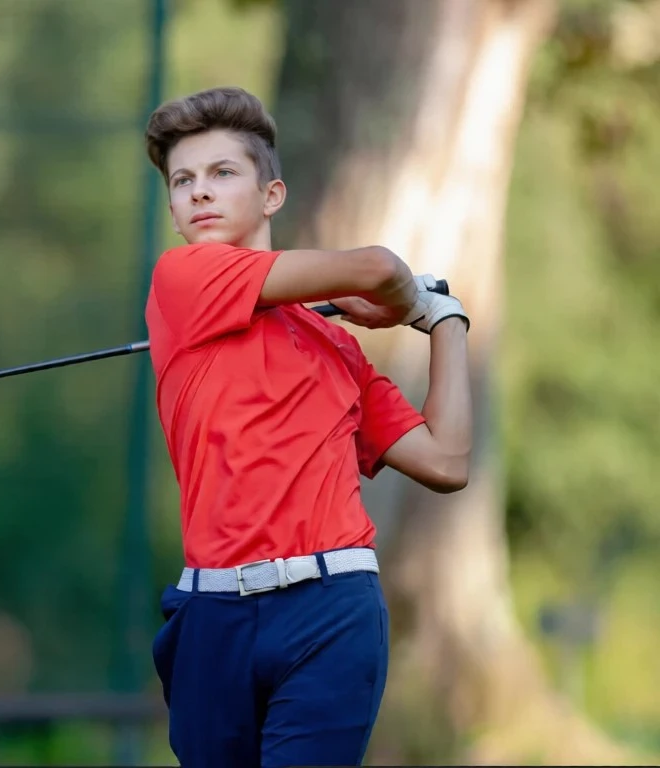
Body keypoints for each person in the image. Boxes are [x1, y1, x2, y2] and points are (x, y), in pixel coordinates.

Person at [142, 85, 473, 768]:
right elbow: (379, 267)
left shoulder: (337, 347)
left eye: (222, 173)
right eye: (183, 182)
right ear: (174, 210)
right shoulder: (182, 279)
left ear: (272, 196)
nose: (199, 193)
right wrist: (400, 300)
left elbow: (447, 462)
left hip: (332, 610)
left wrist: (446, 323)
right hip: (213, 617)